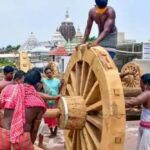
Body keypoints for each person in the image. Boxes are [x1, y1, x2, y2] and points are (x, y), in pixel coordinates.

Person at [0, 69, 46, 149]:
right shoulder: (39, 103)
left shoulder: (8, 89)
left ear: (24, 79)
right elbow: (35, 129)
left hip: (4, 134)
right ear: (38, 84)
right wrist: (30, 143)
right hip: (23, 138)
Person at [38, 66, 62, 148]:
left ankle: (55, 131)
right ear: (45, 74)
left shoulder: (58, 81)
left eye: (50, 72)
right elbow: (40, 90)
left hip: (56, 101)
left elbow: (60, 90)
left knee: (57, 116)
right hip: (47, 102)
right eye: (47, 73)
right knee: (48, 117)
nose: (49, 74)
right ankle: (51, 131)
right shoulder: (44, 81)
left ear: (52, 72)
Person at [125, 73, 150, 150]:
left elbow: (133, 102)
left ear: (146, 84)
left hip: (147, 130)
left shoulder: (148, 93)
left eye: (141, 83)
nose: (140, 85)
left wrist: (116, 101)